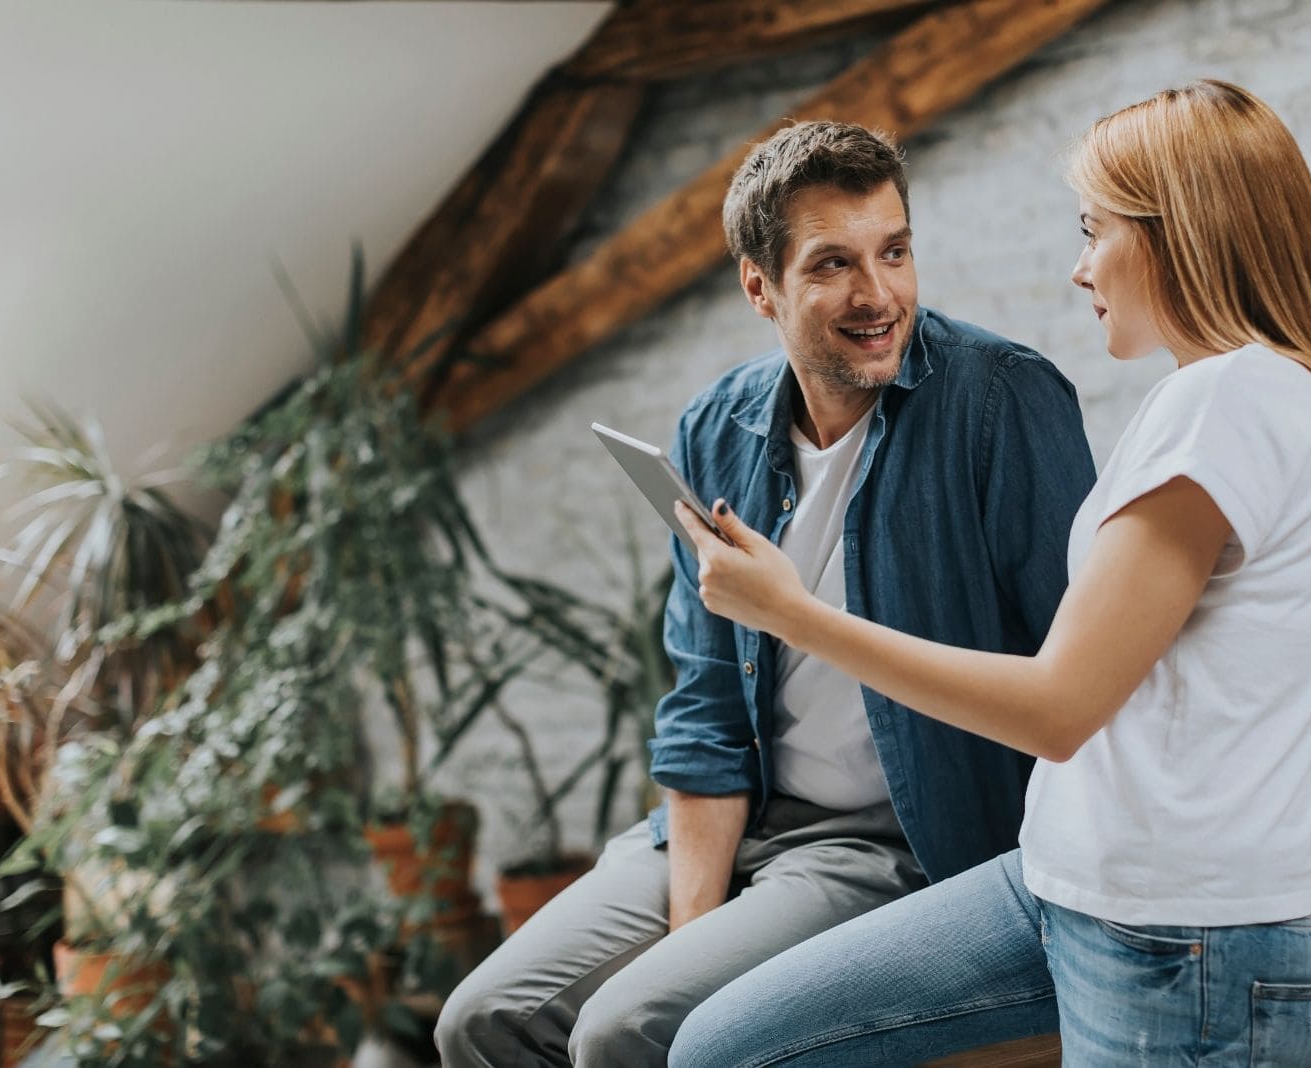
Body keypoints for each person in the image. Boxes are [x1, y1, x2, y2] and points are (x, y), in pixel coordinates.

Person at [666, 80, 1311, 1067]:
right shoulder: (1295, 398)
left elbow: (1060, 706)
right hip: (1064, 886)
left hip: (1183, 947)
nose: (1079, 266)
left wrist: (792, 616)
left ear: (1176, 232)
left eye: (1094, 230)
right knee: (716, 1046)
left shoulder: (1224, 407)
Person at [434, 120, 1097, 1067]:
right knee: (483, 1021)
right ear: (761, 287)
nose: (880, 295)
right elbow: (703, 707)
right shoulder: (717, 430)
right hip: (739, 827)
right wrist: (692, 926)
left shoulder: (1001, 402)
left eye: (896, 252)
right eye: (833, 264)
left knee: (624, 1031)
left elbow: (1078, 674)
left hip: (901, 843)